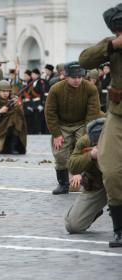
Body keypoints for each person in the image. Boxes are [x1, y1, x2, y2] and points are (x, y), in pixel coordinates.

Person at [78, 3, 122, 247]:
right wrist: (113, 45)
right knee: (113, 170)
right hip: (118, 114)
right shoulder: (112, 44)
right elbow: (85, 59)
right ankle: (119, 229)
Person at [45, 62, 100, 195]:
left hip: (83, 123)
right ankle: (63, 184)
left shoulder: (90, 88)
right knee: (59, 153)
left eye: (79, 77)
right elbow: (50, 112)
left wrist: (88, 135)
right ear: (66, 76)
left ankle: (87, 179)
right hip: (62, 124)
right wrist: (56, 134)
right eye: (73, 77)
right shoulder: (56, 89)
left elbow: (93, 113)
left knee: (84, 149)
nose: (77, 80)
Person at [65, 118, 107, 234]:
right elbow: (72, 165)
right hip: (97, 186)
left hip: (117, 185)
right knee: (73, 226)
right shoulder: (85, 141)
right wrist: (90, 156)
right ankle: (93, 211)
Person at [0, 80, 27, 154]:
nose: (5, 93)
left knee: (15, 117)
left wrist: (18, 106)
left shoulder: (13, 101)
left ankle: (12, 145)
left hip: (10, 131)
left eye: (7, 91)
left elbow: (22, 116)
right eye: (3, 91)